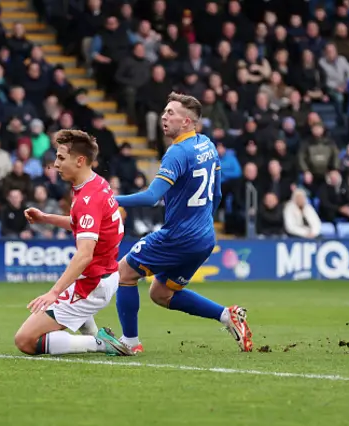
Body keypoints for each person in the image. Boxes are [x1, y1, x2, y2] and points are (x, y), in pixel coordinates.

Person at [113, 92, 253, 353]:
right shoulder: (208, 145)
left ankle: (130, 343)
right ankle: (227, 316)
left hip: (178, 237)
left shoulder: (177, 152)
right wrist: (201, 222)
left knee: (125, 274)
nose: (164, 117)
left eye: (171, 113)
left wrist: (110, 199)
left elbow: (152, 196)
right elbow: (218, 193)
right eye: (164, 112)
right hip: (204, 237)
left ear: (187, 121)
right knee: (160, 293)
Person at [14, 129, 133, 357]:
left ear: (79, 160)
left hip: (93, 283)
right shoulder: (96, 184)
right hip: (102, 276)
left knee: (26, 341)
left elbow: (85, 254)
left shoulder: (88, 198)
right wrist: (45, 217)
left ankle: (100, 344)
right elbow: (83, 224)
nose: (55, 164)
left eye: (60, 158)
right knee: (71, 286)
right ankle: (98, 336)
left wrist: (54, 292)